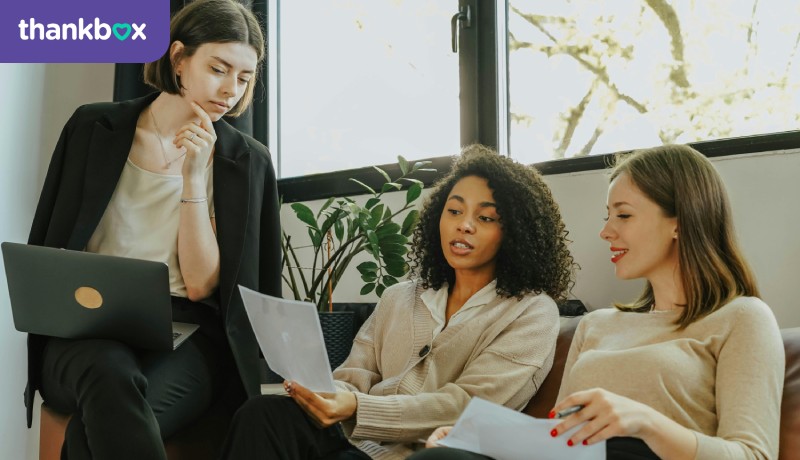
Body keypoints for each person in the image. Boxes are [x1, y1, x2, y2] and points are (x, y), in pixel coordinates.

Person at [412, 144, 785, 460]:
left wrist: (646, 422)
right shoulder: (596, 325)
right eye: (608, 216)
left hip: (638, 454)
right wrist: (477, 434)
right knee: (445, 453)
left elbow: (752, 454)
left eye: (623, 215)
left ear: (680, 221)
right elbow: (556, 439)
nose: (607, 231)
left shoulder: (742, 317)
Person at [24, 1, 281, 458]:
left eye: (244, 78)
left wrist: (194, 179)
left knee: (99, 423)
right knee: (108, 371)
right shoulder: (91, 127)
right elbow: (49, 243)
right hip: (84, 331)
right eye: (218, 69)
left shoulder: (246, 162)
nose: (229, 91)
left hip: (187, 336)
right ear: (178, 58)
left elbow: (202, 285)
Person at [218, 144, 576, 459]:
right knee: (263, 413)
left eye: (485, 218)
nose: (464, 226)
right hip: (354, 445)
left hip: (430, 454)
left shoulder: (531, 312)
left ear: (515, 233)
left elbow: (469, 407)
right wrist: (324, 394)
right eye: (454, 211)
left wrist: (358, 407)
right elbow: (354, 377)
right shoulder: (399, 296)